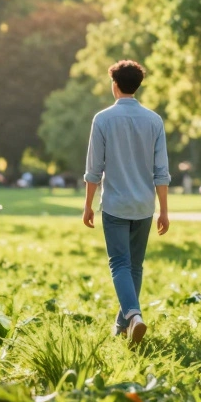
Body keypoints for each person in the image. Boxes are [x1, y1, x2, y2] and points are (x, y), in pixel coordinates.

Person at [82, 60, 170, 345]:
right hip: (144, 206)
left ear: (115, 85)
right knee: (135, 267)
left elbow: (94, 169)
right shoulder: (154, 121)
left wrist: (87, 205)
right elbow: (161, 171)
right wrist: (164, 211)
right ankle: (123, 326)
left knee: (119, 263)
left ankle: (133, 315)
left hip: (115, 205)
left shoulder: (102, 119)